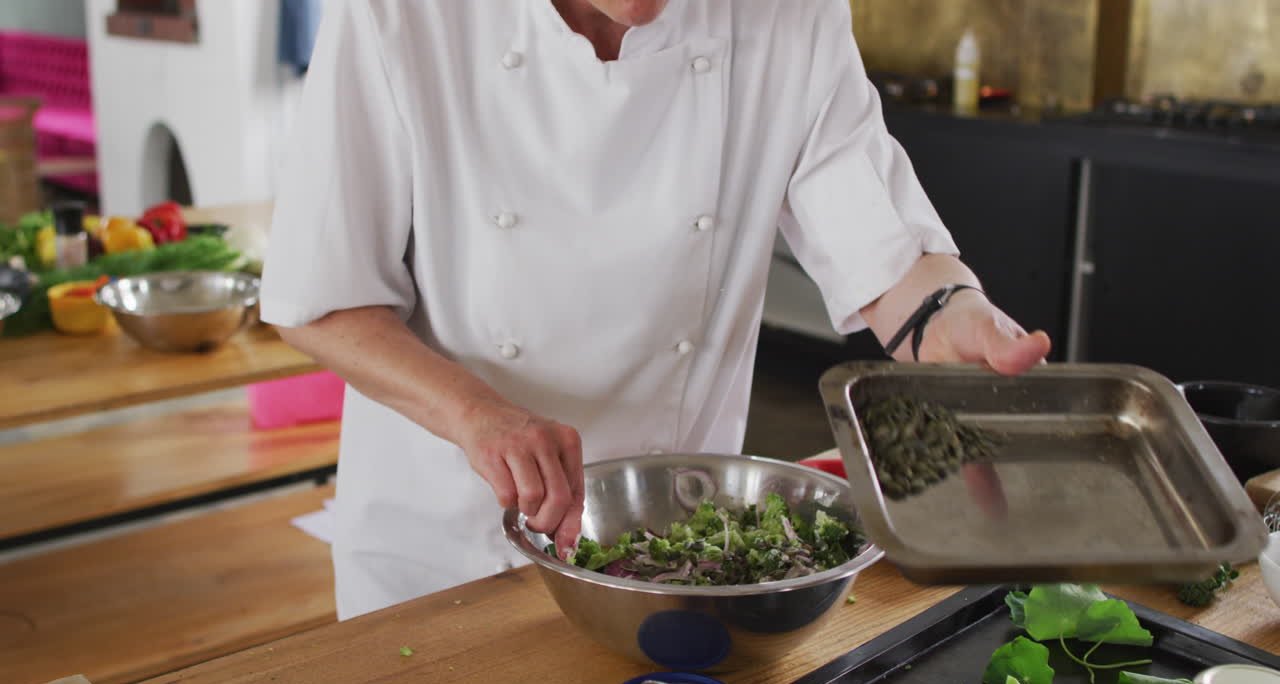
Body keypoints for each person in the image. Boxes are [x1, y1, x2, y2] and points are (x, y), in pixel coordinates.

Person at [261, 0, 1052, 621]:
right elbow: (321, 301)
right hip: (445, 546)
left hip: (675, 545)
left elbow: (883, 248)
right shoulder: (401, 13)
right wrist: (477, 415)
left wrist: (949, 318)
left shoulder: (788, 12)